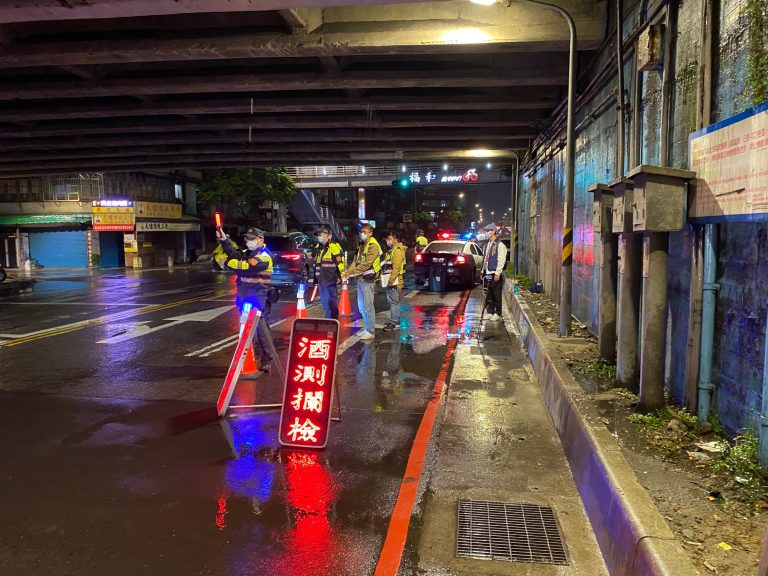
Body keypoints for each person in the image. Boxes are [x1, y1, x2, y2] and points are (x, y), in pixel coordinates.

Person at [216, 226, 274, 371]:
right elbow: (234, 254)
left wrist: (226, 263)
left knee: (260, 329)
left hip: (258, 296)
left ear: (260, 239)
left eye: (251, 239)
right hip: (244, 295)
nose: (248, 241)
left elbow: (246, 267)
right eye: (247, 239)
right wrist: (224, 240)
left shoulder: (264, 256)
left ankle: (267, 359)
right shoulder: (247, 253)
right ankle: (248, 358)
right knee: (245, 329)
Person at [343, 223, 381, 340]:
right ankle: (366, 328)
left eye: (365, 231)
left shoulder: (373, 246)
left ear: (370, 233)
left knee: (368, 306)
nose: (362, 234)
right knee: (361, 306)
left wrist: (351, 273)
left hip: (368, 279)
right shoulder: (360, 245)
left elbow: (366, 264)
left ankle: (371, 331)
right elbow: (355, 261)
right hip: (360, 278)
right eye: (361, 231)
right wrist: (348, 272)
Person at [314, 225, 345, 319]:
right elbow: (317, 264)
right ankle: (328, 322)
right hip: (322, 280)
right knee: (325, 303)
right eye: (318, 235)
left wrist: (342, 275)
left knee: (331, 303)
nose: (319, 236)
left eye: (321, 234)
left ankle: (332, 321)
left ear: (328, 235)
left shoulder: (333, 246)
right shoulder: (319, 247)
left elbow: (340, 262)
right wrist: (315, 279)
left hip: (330, 279)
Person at [480, 223, 507, 321]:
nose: (487, 233)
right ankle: (490, 312)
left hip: (494, 273)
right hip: (487, 272)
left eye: (488, 231)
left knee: (496, 293)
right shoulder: (487, 245)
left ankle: (498, 313)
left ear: (493, 231)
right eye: (486, 231)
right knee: (489, 293)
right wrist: (482, 271)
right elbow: (485, 259)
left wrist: (497, 273)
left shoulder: (500, 245)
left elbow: (501, 260)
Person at [382, 231, 406, 331]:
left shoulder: (397, 251)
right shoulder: (392, 250)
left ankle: (394, 322)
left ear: (396, 240)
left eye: (390, 239)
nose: (387, 241)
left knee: (393, 302)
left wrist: (391, 281)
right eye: (387, 239)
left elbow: (396, 268)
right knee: (393, 301)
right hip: (392, 280)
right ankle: (396, 320)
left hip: (395, 281)